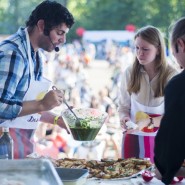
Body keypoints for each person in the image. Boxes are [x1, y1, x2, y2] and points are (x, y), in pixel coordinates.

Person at [0, 0, 74, 159]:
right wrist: (42, 103)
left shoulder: (38, 56)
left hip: (23, 149)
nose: (63, 40)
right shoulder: (13, 53)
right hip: (5, 152)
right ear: (41, 25)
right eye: (60, 33)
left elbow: (27, 107)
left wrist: (56, 119)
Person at [118, 25, 179, 163]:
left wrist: (149, 121)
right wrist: (124, 118)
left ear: (158, 50)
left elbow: (175, 116)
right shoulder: (129, 72)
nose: (140, 53)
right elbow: (123, 106)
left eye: (145, 49)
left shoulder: (171, 75)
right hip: (132, 138)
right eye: (137, 48)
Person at [154, 17, 185, 184]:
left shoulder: (179, 85)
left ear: (181, 44)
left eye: (174, 52)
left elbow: (169, 147)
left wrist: (163, 168)